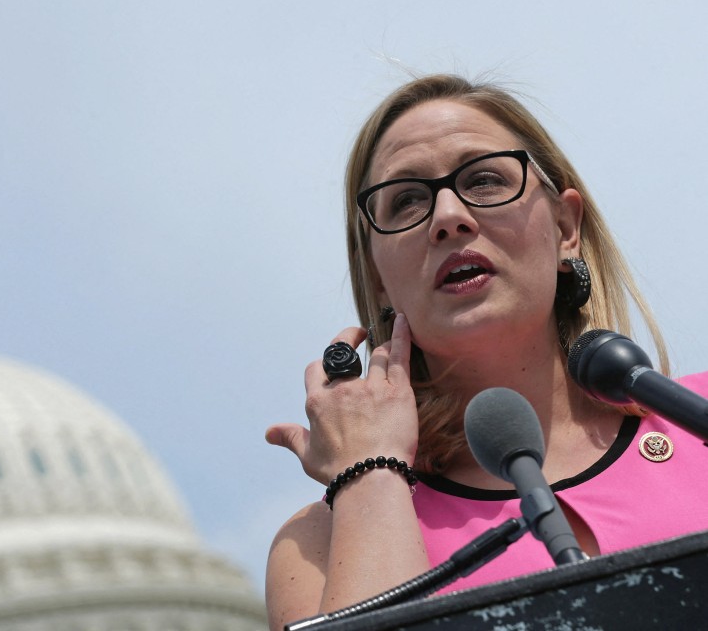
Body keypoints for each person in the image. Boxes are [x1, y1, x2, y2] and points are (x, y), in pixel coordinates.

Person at [264, 74, 708, 631]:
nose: (449, 216)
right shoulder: (318, 545)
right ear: (377, 276)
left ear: (566, 225)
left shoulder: (699, 419)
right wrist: (369, 473)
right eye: (405, 201)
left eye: (485, 179)